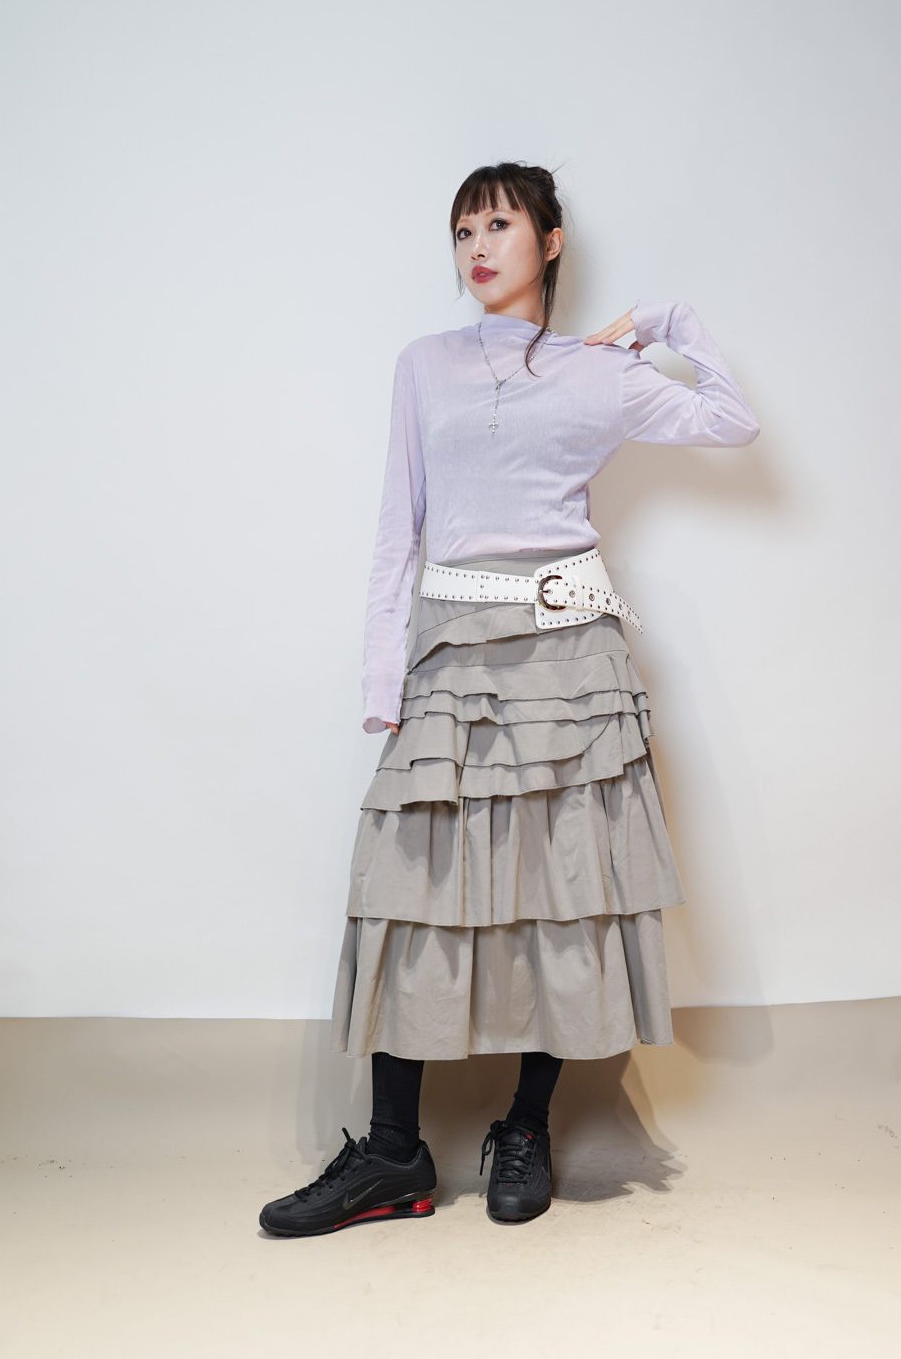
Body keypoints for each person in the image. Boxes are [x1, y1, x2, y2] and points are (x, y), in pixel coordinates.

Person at [259, 160, 760, 1238]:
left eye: (497, 224)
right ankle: (393, 1152)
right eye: (462, 231)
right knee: (411, 885)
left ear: (550, 240)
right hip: (452, 652)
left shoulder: (599, 374)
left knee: (561, 889)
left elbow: (733, 421)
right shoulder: (424, 365)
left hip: (572, 662)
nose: (477, 247)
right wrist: (384, 678)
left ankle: (525, 1125)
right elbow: (398, 527)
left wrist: (668, 322)